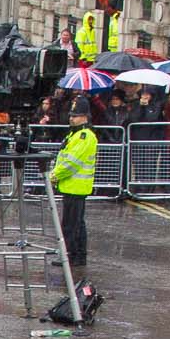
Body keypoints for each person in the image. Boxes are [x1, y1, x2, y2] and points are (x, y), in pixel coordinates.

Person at [50, 97, 96, 269]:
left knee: (72, 225)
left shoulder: (85, 136)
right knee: (74, 223)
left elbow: (72, 163)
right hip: (70, 186)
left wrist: (54, 175)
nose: (72, 118)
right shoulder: (75, 134)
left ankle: (71, 255)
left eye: (76, 116)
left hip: (76, 186)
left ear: (85, 117)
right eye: (71, 115)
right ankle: (76, 255)